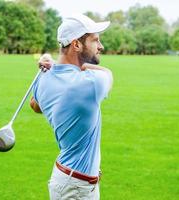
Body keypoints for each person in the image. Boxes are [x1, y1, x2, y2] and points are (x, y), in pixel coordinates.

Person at [30, 14, 113, 200]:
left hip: (66, 178)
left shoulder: (43, 79)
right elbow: (108, 73)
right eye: (95, 40)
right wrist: (77, 66)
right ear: (76, 44)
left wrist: (50, 68)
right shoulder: (92, 83)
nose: (101, 47)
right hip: (77, 189)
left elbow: (35, 105)